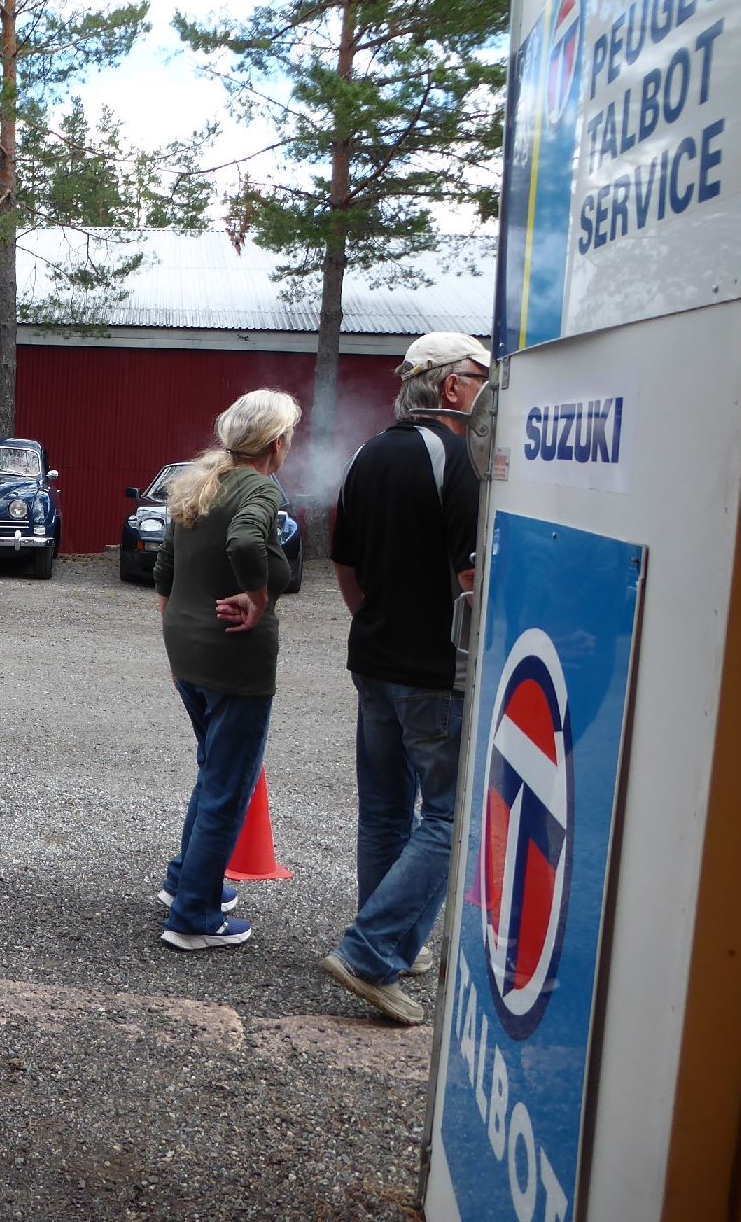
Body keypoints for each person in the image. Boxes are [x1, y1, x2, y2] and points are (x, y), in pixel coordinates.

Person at [321, 330, 488, 1025]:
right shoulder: (461, 459)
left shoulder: (367, 453)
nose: (488, 390)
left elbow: (345, 563)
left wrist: (375, 620)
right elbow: (473, 579)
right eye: (481, 377)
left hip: (375, 660)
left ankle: (391, 940)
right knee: (451, 818)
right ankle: (371, 953)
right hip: (435, 672)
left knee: (386, 811)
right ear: (451, 386)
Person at [154, 389, 303, 951]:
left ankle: (186, 881)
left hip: (188, 649)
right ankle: (194, 917)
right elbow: (244, 542)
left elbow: (165, 570)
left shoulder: (199, 482)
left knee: (212, 770)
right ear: (275, 443)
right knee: (229, 784)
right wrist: (259, 599)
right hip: (235, 656)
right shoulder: (260, 488)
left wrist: (177, 639)